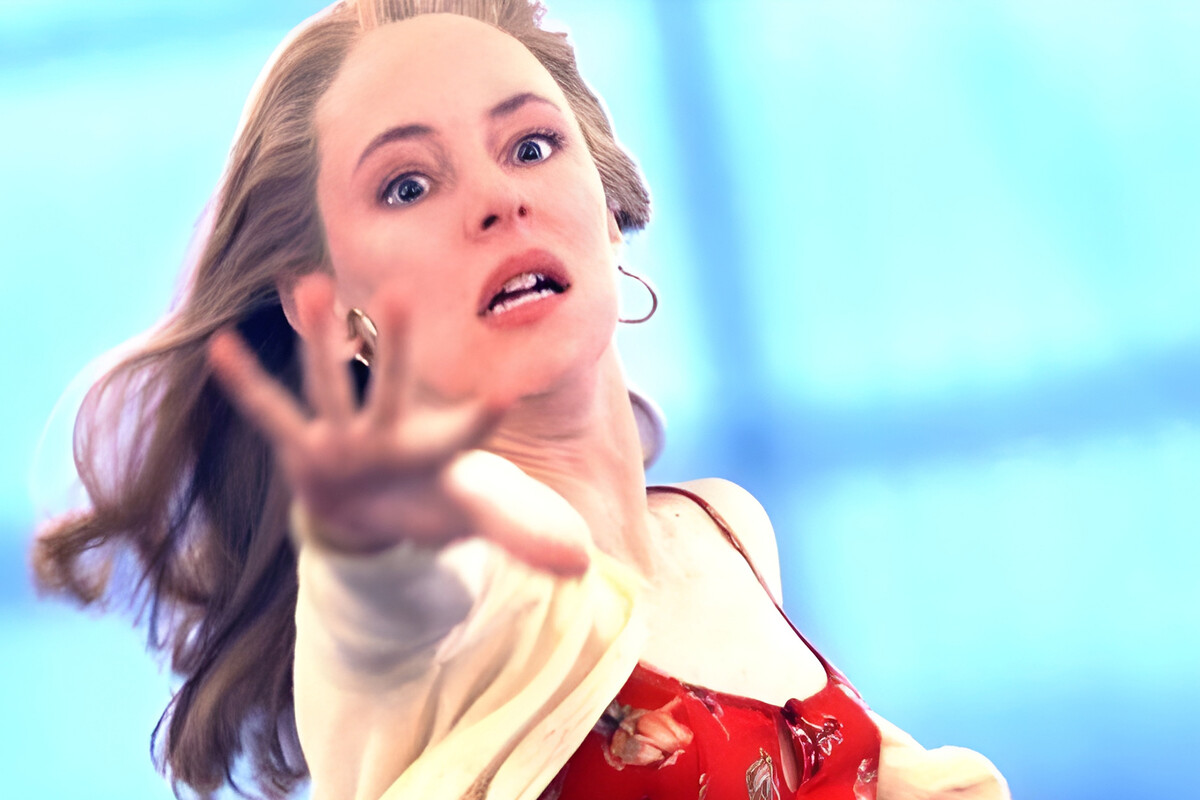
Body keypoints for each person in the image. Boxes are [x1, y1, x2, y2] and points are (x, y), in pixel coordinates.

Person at [32, 1, 1011, 798]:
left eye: (533, 146)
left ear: (610, 213)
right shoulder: (420, 572)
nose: (500, 199)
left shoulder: (725, 530)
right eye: (408, 186)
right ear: (328, 311)